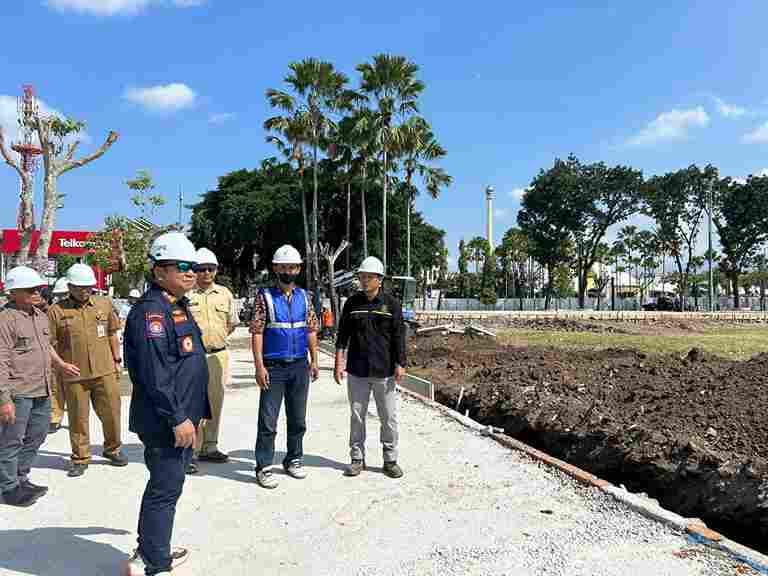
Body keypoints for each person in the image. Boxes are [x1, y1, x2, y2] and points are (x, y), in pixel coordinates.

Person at [123, 231, 210, 576]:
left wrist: (196, 412)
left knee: (165, 485)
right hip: (166, 420)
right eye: (183, 266)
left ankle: (150, 548)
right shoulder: (151, 313)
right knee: (165, 488)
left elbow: (186, 363)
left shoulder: (176, 305)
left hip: (180, 416)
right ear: (159, 271)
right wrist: (178, 418)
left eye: (194, 266)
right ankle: (154, 561)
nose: (191, 272)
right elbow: (154, 373)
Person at [0, 267, 79, 507]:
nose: (37, 293)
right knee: (10, 441)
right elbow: (0, 359)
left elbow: (46, 346)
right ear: (13, 292)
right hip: (18, 391)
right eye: (30, 289)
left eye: (38, 289)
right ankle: (7, 487)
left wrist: (61, 364)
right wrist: (4, 399)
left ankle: (20, 477)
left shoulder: (39, 315)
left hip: (42, 387)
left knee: (38, 434)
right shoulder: (5, 320)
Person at [250, 244, 319, 489]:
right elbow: (257, 332)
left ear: (298, 269)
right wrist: (259, 366)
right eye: (283, 267)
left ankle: (294, 459)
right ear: (275, 268)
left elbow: (310, 329)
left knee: (298, 418)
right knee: (268, 420)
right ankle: (264, 466)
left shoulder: (305, 297)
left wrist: (315, 360)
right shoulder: (264, 297)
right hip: (274, 367)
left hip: (299, 365)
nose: (287, 271)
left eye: (292, 267)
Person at [48, 263, 126, 477]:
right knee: (78, 418)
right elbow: (49, 343)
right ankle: (80, 457)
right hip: (75, 375)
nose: (84, 291)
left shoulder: (104, 304)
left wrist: (117, 361)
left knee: (112, 413)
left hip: (105, 370)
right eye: (79, 287)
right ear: (70, 286)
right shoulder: (56, 311)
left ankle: (113, 449)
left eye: (88, 287)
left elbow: (112, 333)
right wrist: (61, 365)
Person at [334, 256, 406, 479]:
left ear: (379, 280)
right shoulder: (352, 304)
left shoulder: (391, 304)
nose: (364, 281)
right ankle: (357, 458)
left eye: (369, 277)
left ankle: (390, 459)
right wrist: (339, 362)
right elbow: (342, 335)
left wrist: (400, 363)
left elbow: (398, 336)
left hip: (384, 371)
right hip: (357, 370)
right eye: (362, 277)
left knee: (388, 417)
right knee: (357, 416)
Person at [187, 247, 235, 473]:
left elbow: (231, 324)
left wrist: (216, 339)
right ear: (194, 271)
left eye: (210, 269)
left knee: (216, 402)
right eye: (201, 269)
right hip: (193, 357)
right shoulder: (187, 295)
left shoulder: (225, 294)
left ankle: (210, 446)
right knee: (193, 403)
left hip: (218, 355)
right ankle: (192, 451)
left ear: (216, 270)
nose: (206, 273)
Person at [48, 277, 70, 433]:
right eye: (59, 294)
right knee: (56, 388)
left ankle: (79, 418)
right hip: (57, 355)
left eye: (64, 294)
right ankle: (55, 417)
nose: (61, 298)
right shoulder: (54, 310)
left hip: (76, 356)